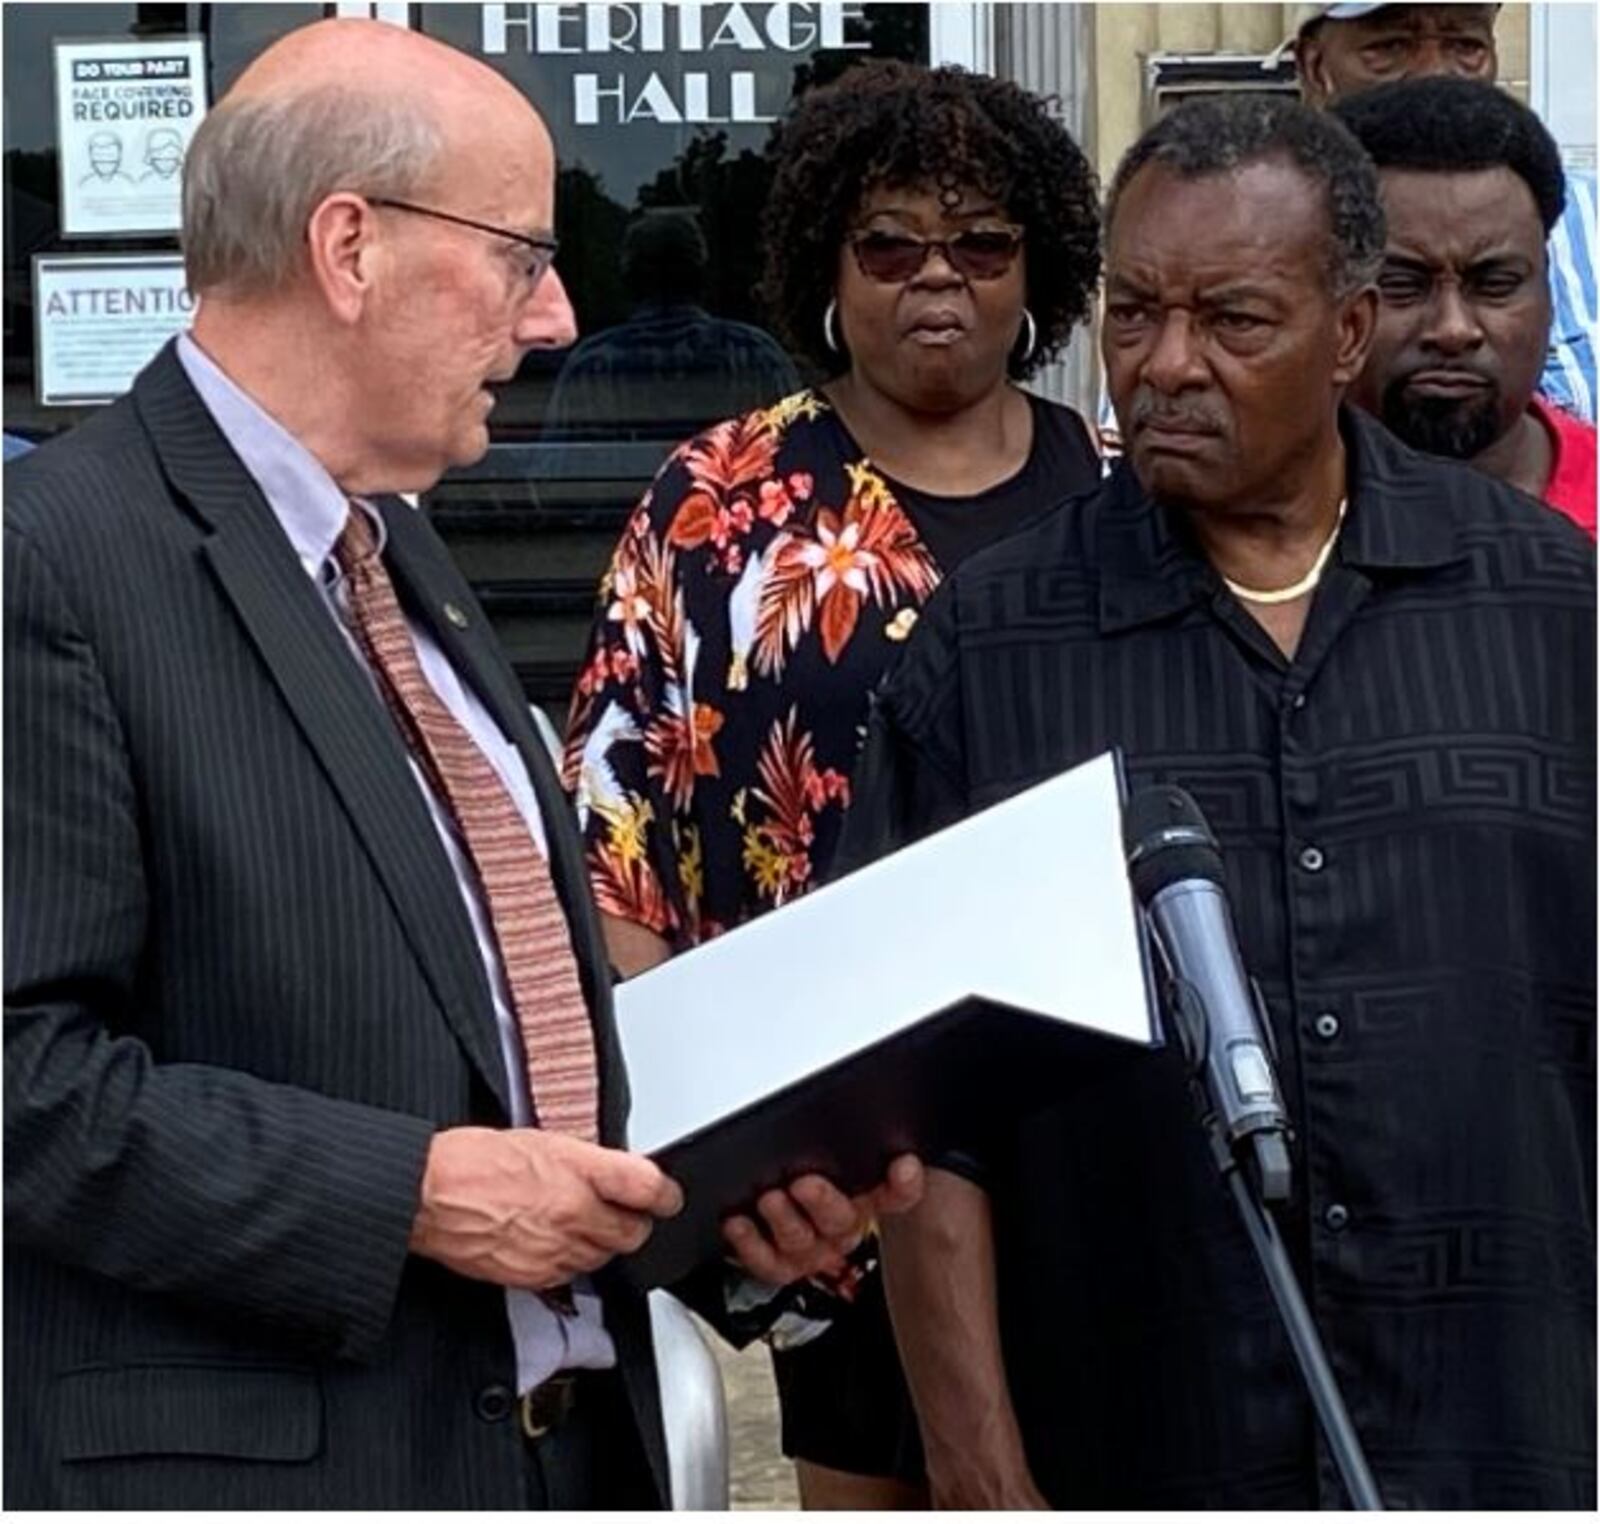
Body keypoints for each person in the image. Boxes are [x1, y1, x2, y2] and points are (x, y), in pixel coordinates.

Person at [3, 19, 920, 1511]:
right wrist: (411, 1196)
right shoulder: (51, 570)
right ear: (349, 248)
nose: (559, 316)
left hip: (565, 1452)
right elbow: (21, 1082)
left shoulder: (395, 543)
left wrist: (715, 1210)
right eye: (520, 255)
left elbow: (494, 1022)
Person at [846, 94, 1595, 1509]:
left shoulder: (1556, 615)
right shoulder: (989, 649)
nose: (1167, 366)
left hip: (1513, 1433)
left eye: (1233, 322)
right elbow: (916, 1120)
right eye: (1134, 317)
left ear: (1350, 333)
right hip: (1136, 1443)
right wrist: (980, 1471)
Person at [562, 59, 1102, 1510]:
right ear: (824, 266)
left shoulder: (1127, 498)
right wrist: (700, 1144)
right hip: (830, 1181)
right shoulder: (716, 499)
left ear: (1037, 267)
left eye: (983, 245)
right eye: (889, 246)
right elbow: (616, 834)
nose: (940, 280)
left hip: (1088, 1153)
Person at [1294, 1, 1597, 422]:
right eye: (1392, 46)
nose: (1434, 74)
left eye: (1464, 45)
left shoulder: (1589, 221)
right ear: (1314, 66)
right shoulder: (1257, 234)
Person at [1333, 76, 1596, 535]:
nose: (1453, 329)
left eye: (1494, 284)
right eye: (1401, 284)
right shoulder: (1241, 531)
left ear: (1548, 288)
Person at [544, 208, 800, 442]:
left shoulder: (592, 365)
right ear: (701, 273)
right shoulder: (757, 355)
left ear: (629, 277)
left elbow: (557, 473)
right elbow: (803, 454)